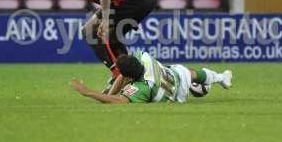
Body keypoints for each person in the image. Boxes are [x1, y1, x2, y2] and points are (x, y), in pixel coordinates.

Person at [63, 0, 157, 89]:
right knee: (104, 35)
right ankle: (128, 76)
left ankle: (120, 75)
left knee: (91, 32)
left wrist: (106, 19)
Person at [70, 51, 233, 103]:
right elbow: (123, 75)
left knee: (190, 75)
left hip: (177, 95)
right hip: (176, 75)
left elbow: (119, 101)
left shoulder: (142, 88)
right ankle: (221, 78)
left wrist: (89, 92)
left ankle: (209, 84)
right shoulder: (143, 57)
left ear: (127, 77)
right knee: (191, 73)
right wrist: (108, 94)